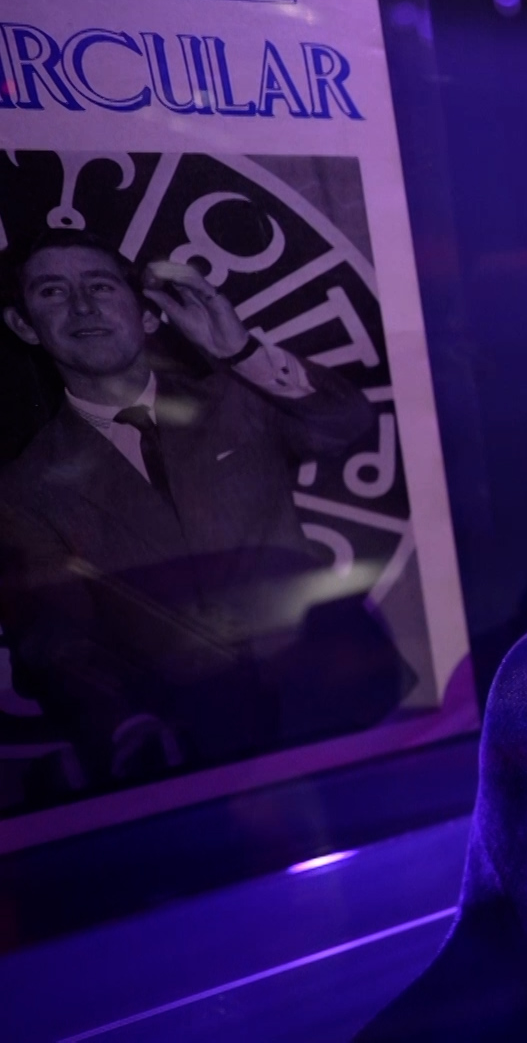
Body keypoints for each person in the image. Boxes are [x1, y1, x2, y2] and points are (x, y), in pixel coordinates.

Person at [0, 229, 404, 786]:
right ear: (23, 325)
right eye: (52, 292)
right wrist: (128, 730)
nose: (83, 306)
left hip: (348, 697)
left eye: (101, 285)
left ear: (147, 315)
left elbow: (348, 424)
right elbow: (57, 641)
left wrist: (240, 352)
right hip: (195, 749)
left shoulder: (237, 397)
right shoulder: (25, 487)